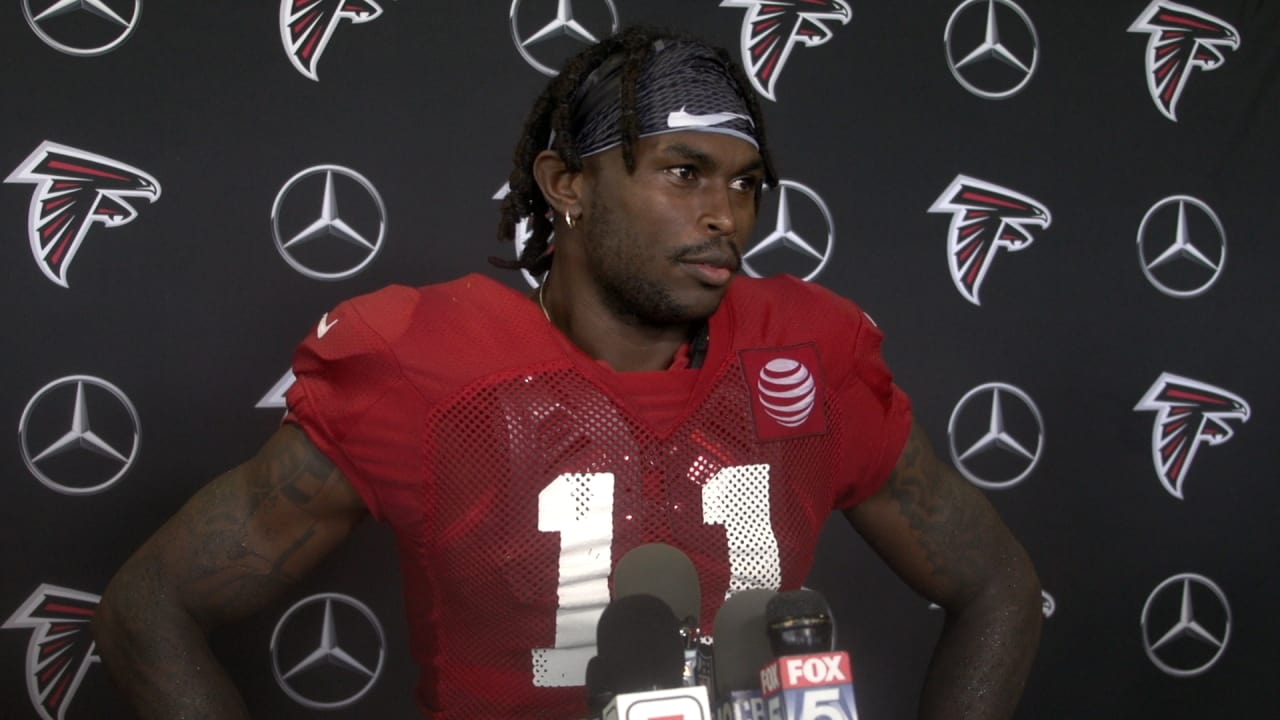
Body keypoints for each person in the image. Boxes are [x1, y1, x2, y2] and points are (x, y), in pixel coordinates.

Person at [93, 26, 1041, 719]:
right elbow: (151, 606)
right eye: (683, 171)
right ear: (568, 185)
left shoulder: (808, 354)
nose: (727, 214)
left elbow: (997, 584)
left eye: (745, 182)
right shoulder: (425, 366)